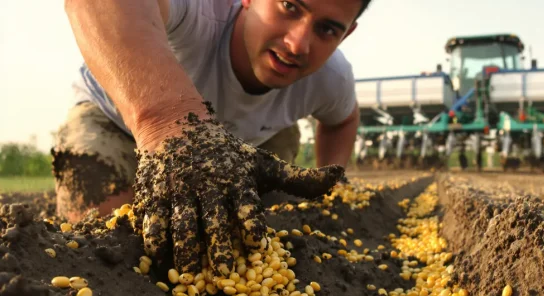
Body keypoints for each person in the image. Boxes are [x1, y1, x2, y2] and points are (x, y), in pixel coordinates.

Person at [57, 0, 371, 277]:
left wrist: (333, 186)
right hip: (116, 118)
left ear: (347, 34)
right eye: (289, 6)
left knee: (263, 228)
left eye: (327, 29)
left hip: (239, 144)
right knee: (110, 238)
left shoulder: (332, 77)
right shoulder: (201, 10)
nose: (297, 44)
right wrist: (168, 122)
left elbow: (342, 120)